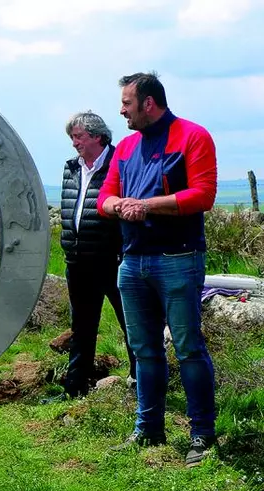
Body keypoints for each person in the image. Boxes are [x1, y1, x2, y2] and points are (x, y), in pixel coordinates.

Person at [98, 72, 217, 467]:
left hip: (178, 260)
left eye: (127, 103)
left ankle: (202, 434)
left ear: (149, 103)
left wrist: (146, 205)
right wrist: (121, 206)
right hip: (131, 263)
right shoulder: (126, 147)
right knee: (143, 351)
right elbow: (105, 197)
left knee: (188, 349)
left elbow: (203, 195)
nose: (121, 110)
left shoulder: (193, 137)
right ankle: (148, 430)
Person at [49, 111, 136, 402]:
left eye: (79, 137)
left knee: (131, 324)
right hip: (77, 260)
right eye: (72, 137)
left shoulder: (120, 164)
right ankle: (76, 388)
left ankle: (139, 383)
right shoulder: (71, 168)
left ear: (97, 136)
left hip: (113, 261)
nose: (74, 143)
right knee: (82, 326)